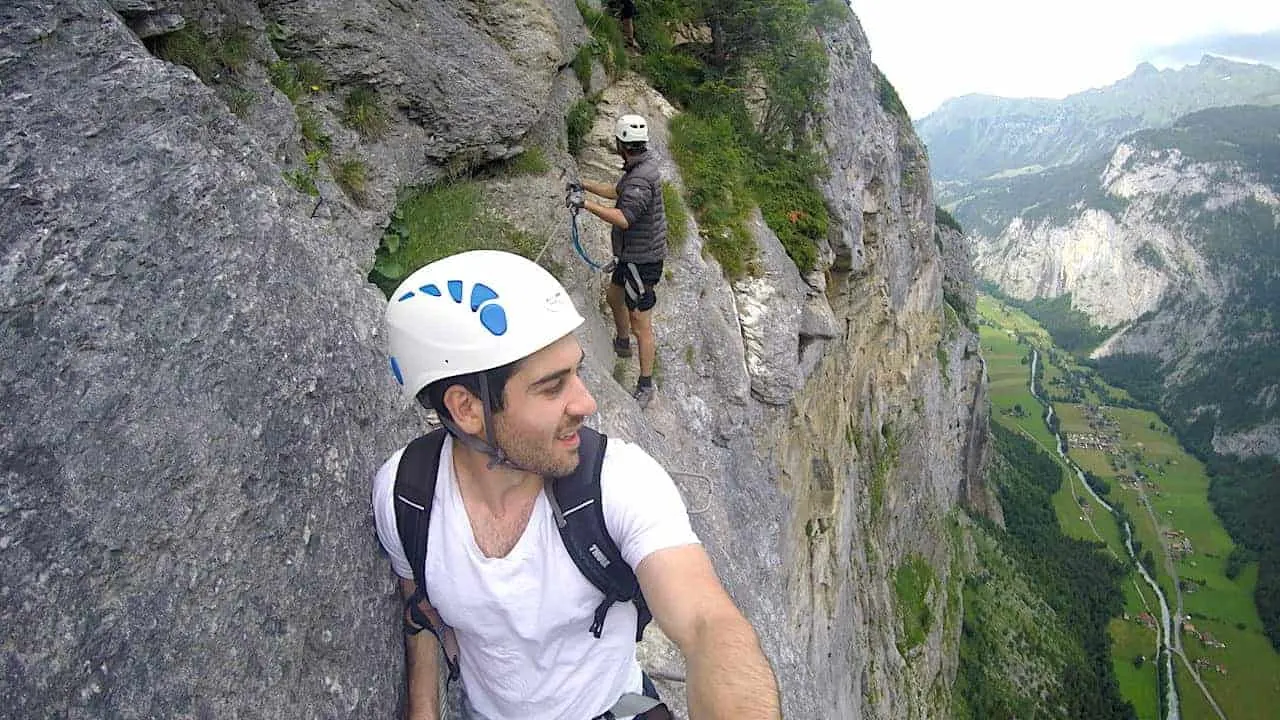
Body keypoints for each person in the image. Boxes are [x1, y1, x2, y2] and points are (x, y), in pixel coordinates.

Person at [373, 250, 781, 720]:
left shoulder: (618, 483)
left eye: (578, 372)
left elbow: (709, 623)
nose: (586, 403)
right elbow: (420, 610)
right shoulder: (406, 494)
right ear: (466, 409)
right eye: (552, 387)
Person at [572, 114, 667, 409]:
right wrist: (583, 184)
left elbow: (624, 218)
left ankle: (646, 384)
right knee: (614, 295)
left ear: (620, 144)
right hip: (633, 255)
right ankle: (622, 342)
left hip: (643, 261)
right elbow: (617, 192)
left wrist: (584, 204)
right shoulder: (639, 168)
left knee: (642, 322)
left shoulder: (639, 178)